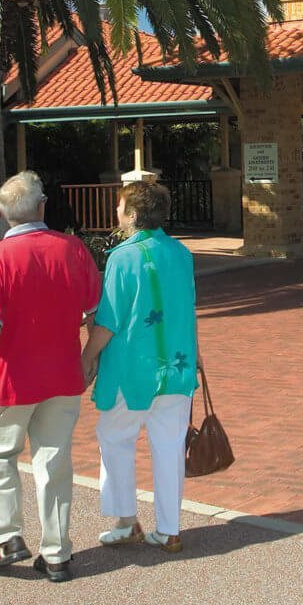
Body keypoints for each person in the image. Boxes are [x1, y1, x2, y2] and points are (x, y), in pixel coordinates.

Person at [0, 171, 101, 581]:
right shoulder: (73, 249)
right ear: (42, 206)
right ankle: (57, 552)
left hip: (14, 378)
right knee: (54, 461)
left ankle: (10, 536)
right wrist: (87, 358)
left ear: (2, 213)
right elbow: (97, 313)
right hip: (63, 374)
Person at [83, 181, 200, 554]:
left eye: (120, 207)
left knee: (115, 439)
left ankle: (125, 520)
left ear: (132, 215)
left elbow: (110, 320)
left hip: (131, 369)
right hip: (177, 366)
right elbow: (186, 307)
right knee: (168, 447)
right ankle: (169, 529)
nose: (116, 213)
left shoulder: (122, 257)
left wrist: (87, 357)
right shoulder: (181, 253)